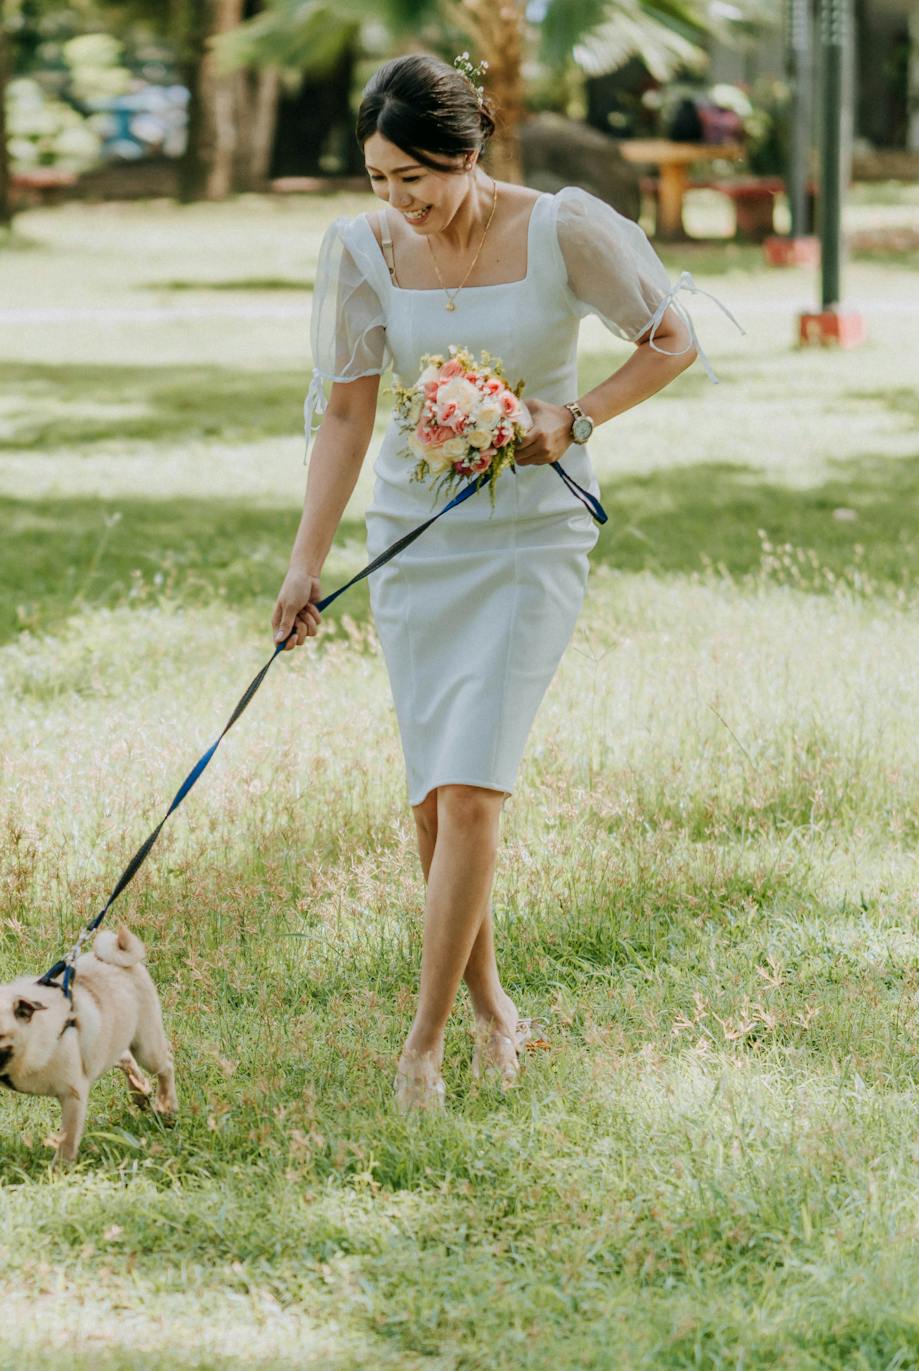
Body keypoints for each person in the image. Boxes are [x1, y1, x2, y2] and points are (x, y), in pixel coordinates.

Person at [271, 54, 722, 1111]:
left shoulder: (564, 227)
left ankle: (421, 1049)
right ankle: (491, 1009)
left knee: (473, 789)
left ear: (466, 157)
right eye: (379, 180)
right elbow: (346, 415)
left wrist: (576, 416)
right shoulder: (361, 249)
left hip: (532, 538)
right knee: (434, 800)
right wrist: (304, 562)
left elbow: (672, 338)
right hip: (417, 538)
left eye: (412, 180)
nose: (397, 203)